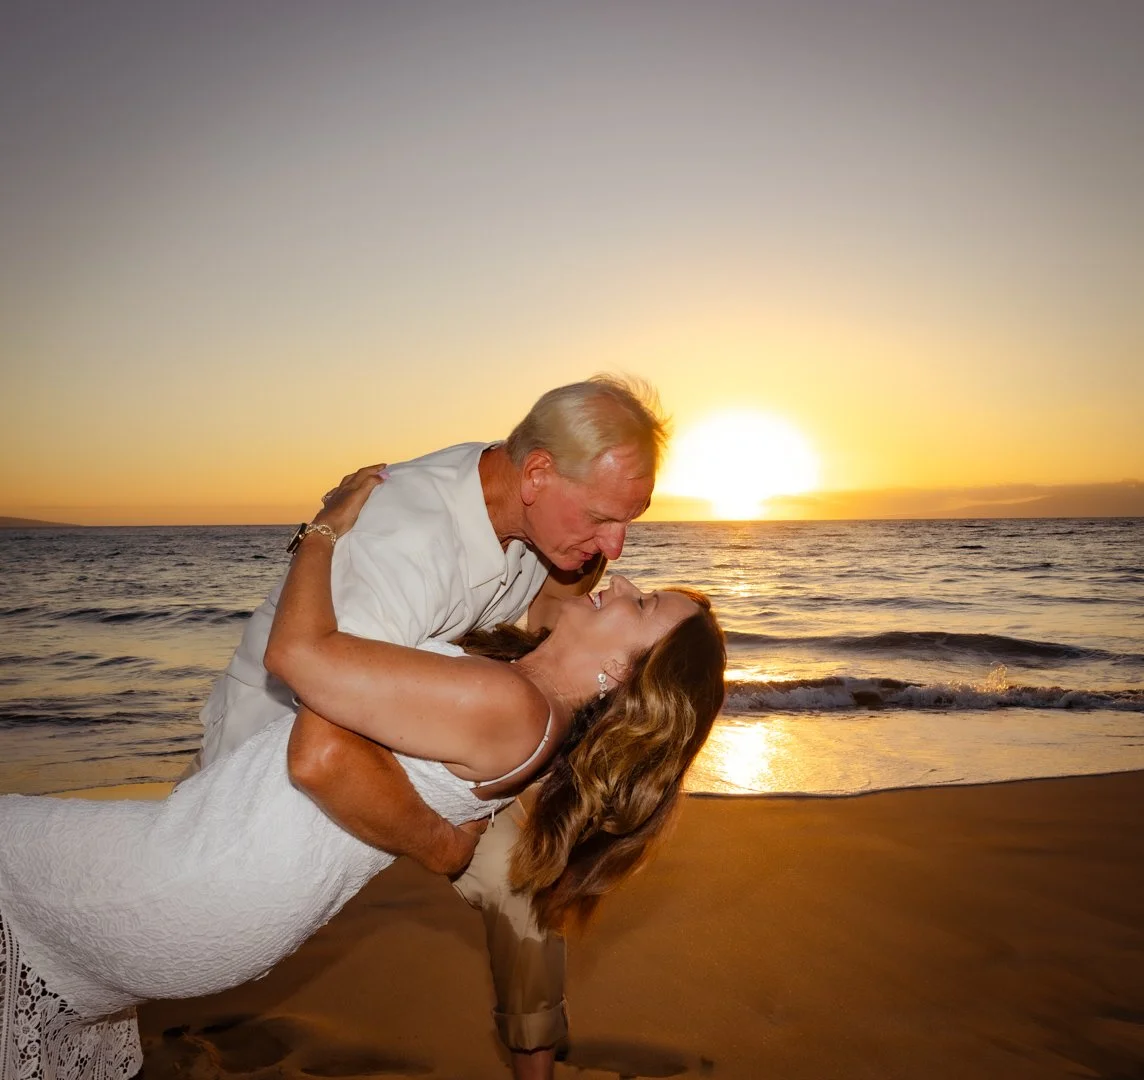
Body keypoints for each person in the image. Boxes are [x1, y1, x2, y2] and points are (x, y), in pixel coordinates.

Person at [0, 465, 727, 1080]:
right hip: (220, 895)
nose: (623, 579)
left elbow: (310, 716)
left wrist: (323, 532)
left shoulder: (507, 703)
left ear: (618, 676)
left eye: (640, 605)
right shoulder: (527, 712)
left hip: (193, 881)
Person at [190, 375, 665, 1080]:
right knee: (196, 944)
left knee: (527, 882)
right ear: (536, 473)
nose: (616, 548)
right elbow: (320, 737)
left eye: (629, 519)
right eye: (600, 519)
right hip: (275, 767)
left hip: (387, 734)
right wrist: (439, 842)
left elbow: (546, 628)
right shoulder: (407, 538)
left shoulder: (536, 515)